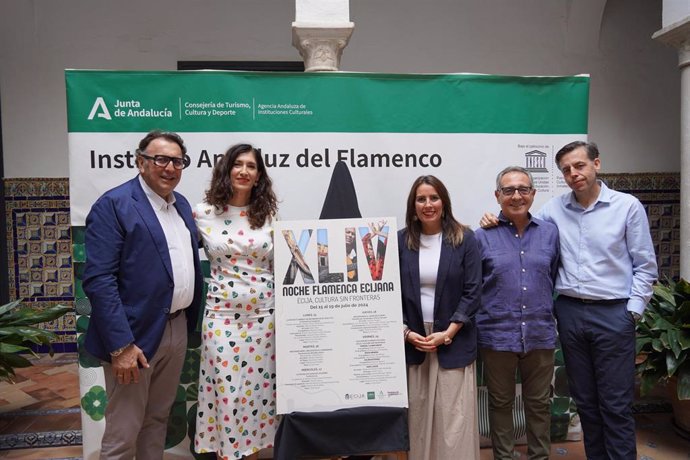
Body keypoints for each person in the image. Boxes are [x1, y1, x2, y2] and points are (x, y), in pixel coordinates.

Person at [481, 141, 658, 459]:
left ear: (596, 164)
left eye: (579, 165)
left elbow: (646, 266)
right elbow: (519, 221)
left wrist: (631, 312)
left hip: (613, 312)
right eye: (566, 169)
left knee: (615, 404)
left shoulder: (627, 206)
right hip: (570, 313)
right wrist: (491, 220)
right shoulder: (553, 211)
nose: (573, 173)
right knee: (586, 402)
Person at [83, 130, 203, 459]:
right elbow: (99, 279)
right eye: (160, 159)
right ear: (140, 161)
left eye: (177, 161)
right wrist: (121, 345)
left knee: (157, 420)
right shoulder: (115, 204)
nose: (170, 167)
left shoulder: (181, 208)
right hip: (133, 336)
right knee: (124, 430)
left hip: (176, 328)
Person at [194, 143, 279, 460]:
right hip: (221, 318)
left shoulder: (268, 216)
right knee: (228, 397)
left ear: (258, 176)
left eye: (251, 166)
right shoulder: (202, 213)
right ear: (227, 170)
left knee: (255, 398)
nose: (244, 171)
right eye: (238, 164)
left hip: (262, 321)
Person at [475, 166, 559, 460]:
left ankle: (539, 456)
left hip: (540, 332)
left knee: (539, 403)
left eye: (523, 189)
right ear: (498, 196)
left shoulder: (549, 233)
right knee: (500, 403)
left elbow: (555, 275)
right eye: (509, 190)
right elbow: (473, 286)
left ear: (533, 194)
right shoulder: (481, 237)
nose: (517, 196)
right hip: (497, 334)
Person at [398, 175, 482, 460]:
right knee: (417, 418)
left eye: (434, 198)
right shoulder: (400, 241)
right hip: (414, 341)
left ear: (444, 203)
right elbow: (388, 292)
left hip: (453, 339)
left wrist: (448, 332)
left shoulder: (465, 239)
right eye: (421, 199)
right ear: (413, 206)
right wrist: (406, 332)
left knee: (452, 421)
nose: (428, 204)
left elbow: (473, 292)